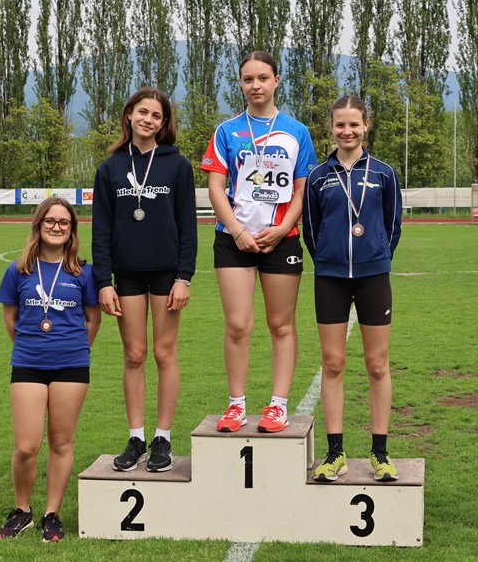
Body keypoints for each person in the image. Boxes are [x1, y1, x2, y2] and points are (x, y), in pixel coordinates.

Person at [200, 51, 317, 433]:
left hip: (282, 240)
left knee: (281, 325)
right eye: (248, 79)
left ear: (276, 80)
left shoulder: (297, 131)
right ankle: (236, 405)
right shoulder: (226, 131)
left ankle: (278, 406)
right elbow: (215, 187)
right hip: (233, 239)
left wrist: (282, 229)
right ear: (241, 83)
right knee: (238, 325)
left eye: (263, 78)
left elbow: (302, 190)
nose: (256, 85)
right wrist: (237, 230)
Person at [92, 87, 197, 473]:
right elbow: (101, 230)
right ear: (129, 115)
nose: (148, 120)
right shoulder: (110, 168)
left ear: (163, 123)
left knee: (164, 354)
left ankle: (162, 438)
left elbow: (188, 226)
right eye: (142, 112)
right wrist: (103, 281)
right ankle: (136, 437)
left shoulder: (177, 165)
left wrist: (184, 277)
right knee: (134, 355)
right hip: (127, 274)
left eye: (156, 115)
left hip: (167, 273)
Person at [303, 95, 402, 482]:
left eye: (354, 124)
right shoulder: (318, 176)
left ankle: (380, 453)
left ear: (366, 125)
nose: (347, 131)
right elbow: (311, 230)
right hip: (329, 278)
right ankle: (335, 453)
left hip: (373, 275)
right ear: (331, 127)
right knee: (333, 363)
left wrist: (375, 255)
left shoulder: (384, 174)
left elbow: (393, 226)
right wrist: (328, 258)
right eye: (340, 125)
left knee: (377, 364)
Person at [0, 197, 101, 542]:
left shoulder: (83, 272)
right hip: (28, 364)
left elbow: (93, 319)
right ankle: (22, 510)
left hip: (72, 366)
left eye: (64, 222)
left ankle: (51, 514)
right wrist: (31, 346)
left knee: (61, 441)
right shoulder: (18, 270)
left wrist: (75, 349)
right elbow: (10, 319)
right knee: (26, 446)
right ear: (38, 225)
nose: (57, 227)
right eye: (50, 221)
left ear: (72, 230)